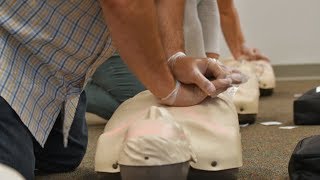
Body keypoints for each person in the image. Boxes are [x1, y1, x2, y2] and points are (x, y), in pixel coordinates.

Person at [0, 0, 236, 179]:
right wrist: (169, 90)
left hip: (54, 67)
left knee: (64, 155)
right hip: (10, 43)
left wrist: (175, 56)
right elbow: (125, 3)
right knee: (13, 168)